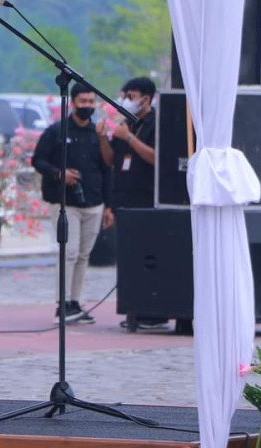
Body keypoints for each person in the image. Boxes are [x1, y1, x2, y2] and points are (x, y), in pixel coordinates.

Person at [32, 83, 111, 324]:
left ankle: (75, 302)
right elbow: (38, 160)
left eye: (91, 102)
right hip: (65, 202)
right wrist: (59, 174)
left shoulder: (97, 134)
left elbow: (108, 167)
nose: (87, 106)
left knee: (84, 255)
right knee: (69, 252)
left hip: (94, 202)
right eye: (83, 101)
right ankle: (63, 303)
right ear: (73, 102)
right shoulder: (56, 131)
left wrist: (110, 205)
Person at [96, 76, 168, 331]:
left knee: (149, 258)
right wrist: (104, 138)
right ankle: (134, 309)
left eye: (132, 96)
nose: (126, 100)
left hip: (147, 200)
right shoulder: (123, 123)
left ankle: (154, 311)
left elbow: (157, 158)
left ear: (146, 99)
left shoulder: (156, 122)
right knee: (128, 258)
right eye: (124, 95)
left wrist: (129, 138)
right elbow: (110, 161)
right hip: (123, 199)